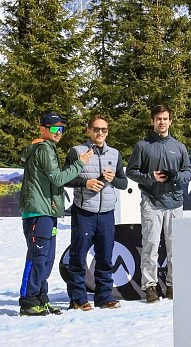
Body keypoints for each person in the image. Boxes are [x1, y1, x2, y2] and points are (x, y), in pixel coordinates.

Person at [19, 112, 92, 316]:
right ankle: (28, 301)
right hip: (38, 211)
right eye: (54, 128)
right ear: (43, 128)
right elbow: (59, 179)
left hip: (46, 211)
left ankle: (41, 298)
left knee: (47, 258)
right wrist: (81, 163)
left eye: (61, 128)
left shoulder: (46, 147)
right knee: (38, 256)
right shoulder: (44, 148)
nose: (58, 132)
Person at [126, 105, 191, 303]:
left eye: (165, 118)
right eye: (158, 119)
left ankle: (173, 285)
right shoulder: (143, 145)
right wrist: (150, 177)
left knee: (175, 247)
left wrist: (176, 176)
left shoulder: (179, 146)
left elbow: (188, 173)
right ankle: (150, 287)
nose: (162, 122)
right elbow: (131, 171)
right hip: (151, 201)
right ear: (152, 121)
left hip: (174, 203)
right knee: (151, 245)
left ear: (170, 121)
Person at [63, 114, 128, 311]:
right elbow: (64, 179)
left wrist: (113, 178)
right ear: (89, 130)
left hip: (107, 212)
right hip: (84, 211)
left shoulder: (114, 154)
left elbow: (123, 184)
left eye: (104, 130)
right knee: (79, 256)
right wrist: (86, 182)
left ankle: (104, 296)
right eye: (96, 129)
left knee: (105, 257)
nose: (100, 133)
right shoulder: (77, 151)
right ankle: (78, 298)